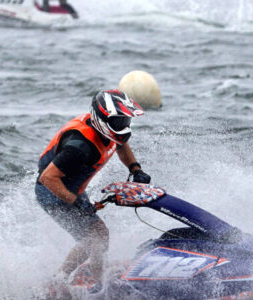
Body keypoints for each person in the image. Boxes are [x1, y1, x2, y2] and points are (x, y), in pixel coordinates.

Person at [35, 90, 151, 294]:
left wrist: (135, 168)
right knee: (95, 237)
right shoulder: (79, 146)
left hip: (72, 188)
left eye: (126, 120)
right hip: (53, 191)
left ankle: (97, 277)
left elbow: (120, 144)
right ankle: (63, 281)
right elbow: (47, 178)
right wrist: (75, 201)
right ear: (103, 119)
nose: (123, 125)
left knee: (98, 236)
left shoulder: (110, 130)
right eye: (119, 121)